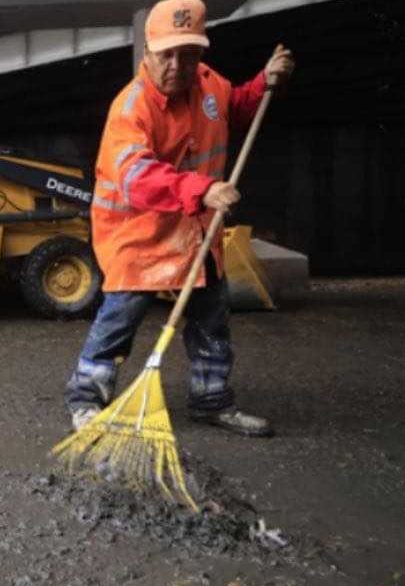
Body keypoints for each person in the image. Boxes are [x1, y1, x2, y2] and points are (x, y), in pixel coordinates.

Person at [65, 0, 294, 437]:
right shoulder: (131, 108)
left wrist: (267, 82)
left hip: (195, 232)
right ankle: (86, 400)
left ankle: (211, 399)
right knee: (121, 319)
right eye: (166, 54)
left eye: (188, 54)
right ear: (147, 52)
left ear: (201, 55)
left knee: (211, 316)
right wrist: (202, 189)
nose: (177, 65)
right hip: (139, 235)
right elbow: (136, 176)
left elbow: (237, 108)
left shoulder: (211, 87)